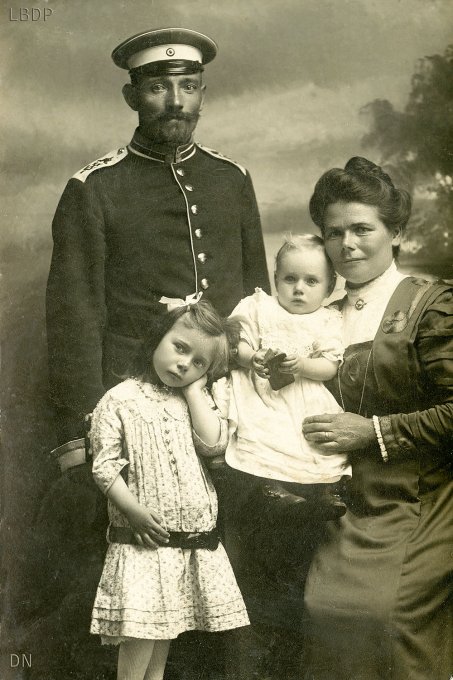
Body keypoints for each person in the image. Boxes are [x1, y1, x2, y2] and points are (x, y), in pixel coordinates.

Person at [27, 27, 269, 680]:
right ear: (133, 95)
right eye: (158, 88)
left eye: (187, 87)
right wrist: (80, 437)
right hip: (134, 420)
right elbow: (74, 320)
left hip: (220, 414)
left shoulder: (230, 179)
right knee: (132, 586)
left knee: (222, 575)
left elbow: (256, 302)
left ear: (201, 94)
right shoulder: (93, 190)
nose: (174, 101)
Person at [301, 156, 453, 680]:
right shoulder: (317, 317)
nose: (347, 245)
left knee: (380, 616)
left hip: (422, 496)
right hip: (346, 502)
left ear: (395, 231)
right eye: (333, 233)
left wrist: (373, 431)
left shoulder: (429, 306)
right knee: (317, 611)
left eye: (362, 229)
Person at [89, 298, 249, 680]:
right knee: (140, 638)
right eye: (180, 348)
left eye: (199, 364)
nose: (183, 365)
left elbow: (214, 444)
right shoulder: (121, 399)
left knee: (163, 640)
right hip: (144, 540)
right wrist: (134, 511)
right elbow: (105, 466)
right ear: (159, 337)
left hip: (186, 544)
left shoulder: (194, 400)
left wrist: (196, 391)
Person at [223, 234, 351, 521]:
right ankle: (271, 487)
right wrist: (251, 357)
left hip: (305, 393)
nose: (298, 289)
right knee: (265, 435)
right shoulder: (258, 306)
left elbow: (330, 365)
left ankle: (325, 489)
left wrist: (304, 365)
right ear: (276, 278)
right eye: (290, 279)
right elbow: (237, 343)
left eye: (311, 281)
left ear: (329, 286)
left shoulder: (327, 319)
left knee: (315, 442)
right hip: (263, 391)